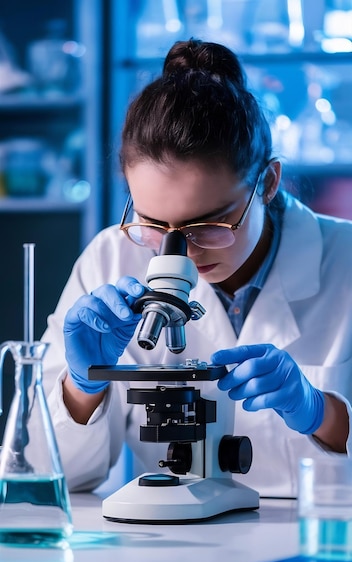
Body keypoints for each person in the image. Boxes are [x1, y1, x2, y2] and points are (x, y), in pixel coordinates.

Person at [42, 38, 352, 495]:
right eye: (151, 222)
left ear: (266, 182)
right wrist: (82, 388)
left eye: (209, 223)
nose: (179, 252)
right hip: (175, 550)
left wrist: (321, 412)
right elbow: (48, 478)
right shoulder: (110, 259)